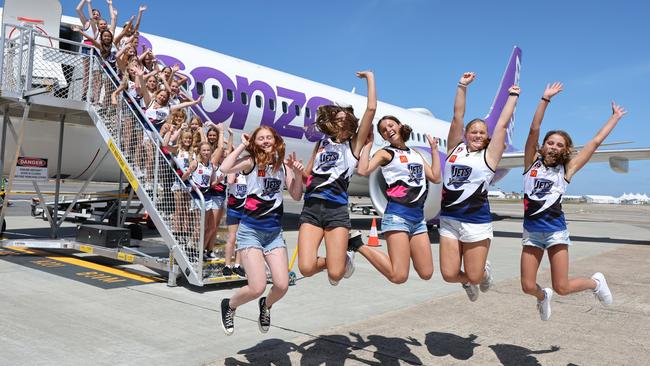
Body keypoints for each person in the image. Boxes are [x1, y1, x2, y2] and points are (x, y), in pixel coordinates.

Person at [520, 83, 621, 320]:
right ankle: (542, 297)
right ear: (543, 145)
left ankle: (595, 283)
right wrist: (545, 99)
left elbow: (594, 143)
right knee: (527, 286)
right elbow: (534, 129)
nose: (553, 146)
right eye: (550, 142)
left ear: (565, 150)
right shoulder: (530, 164)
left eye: (559, 144)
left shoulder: (567, 169)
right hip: (531, 233)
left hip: (555, 232)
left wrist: (614, 118)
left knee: (562, 287)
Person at [439, 72, 520, 301]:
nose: (476, 134)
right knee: (448, 274)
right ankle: (468, 281)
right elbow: (457, 116)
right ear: (465, 135)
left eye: (481, 132)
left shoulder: (489, 156)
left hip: (476, 222)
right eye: (473, 131)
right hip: (449, 219)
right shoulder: (455, 150)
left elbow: (502, 124)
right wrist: (462, 86)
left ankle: (482, 273)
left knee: (475, 276)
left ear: (487, 137)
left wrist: (512, 97)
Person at [218, 126, 304, 335]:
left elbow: (296, 195)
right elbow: (224, 168)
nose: (265, 141)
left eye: (269, 138)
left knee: (282, 285)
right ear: (255, 143)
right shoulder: (251, 162)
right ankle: (229, 306)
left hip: (274, 234)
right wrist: (242, 146)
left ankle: (266, 305)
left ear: (275, 141)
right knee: (256, 287)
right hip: (251, 232)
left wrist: (298, 173)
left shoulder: (284, 166)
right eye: (260, 139)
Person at [297, 71, 376, 286]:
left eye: (344, 120)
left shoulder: (353, 146)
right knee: (305, 267)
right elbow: (308, 174)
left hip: (336, 211)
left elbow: (371, 109)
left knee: (335, 274)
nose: (340, 123)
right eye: (337, 119)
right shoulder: (321, 144)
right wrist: (295, 170)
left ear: (351, 124)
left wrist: (369, 78)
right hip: (311, 209)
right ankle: (339, 259)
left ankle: (343, 259)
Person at [351, 116, 441, 283]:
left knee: (426, 272)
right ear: (383, 137)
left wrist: (434, 151)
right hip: (397, 217)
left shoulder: (416, 154)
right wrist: (368, 145)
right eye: (383, 130)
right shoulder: (385, 153)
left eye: (391, 125)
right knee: (399, 276)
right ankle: (358, 245)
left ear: (399, 126)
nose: (388, 130)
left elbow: (435, 177)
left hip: (418, 220)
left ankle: (358, 245)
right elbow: (363, 170)